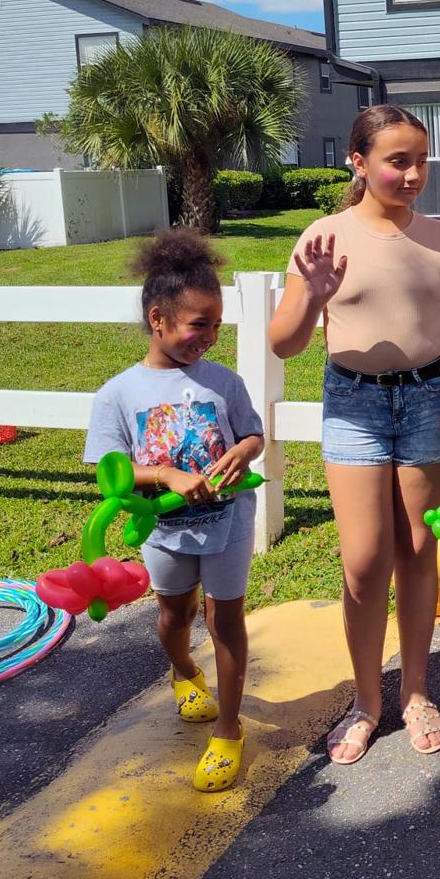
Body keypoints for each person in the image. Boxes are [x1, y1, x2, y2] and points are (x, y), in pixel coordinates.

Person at [269, 106, 440, 764]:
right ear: (358, 162)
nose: (413, 174)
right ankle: (366, 699)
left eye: (421, 160)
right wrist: (310, 295)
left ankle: (414, 692)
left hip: (425, 400)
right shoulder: (323, 238)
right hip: (353, 404)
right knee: (363, 561)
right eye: (397, 161)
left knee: (417, 550)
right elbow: (284, 343)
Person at [84, 230, 264, 793]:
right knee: (173, 616)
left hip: (228, 522)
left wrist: (242, 451)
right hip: (163, 531)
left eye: (215, 324)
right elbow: (109, 469)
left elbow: (253, 434)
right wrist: (164, 474)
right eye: (197, 325)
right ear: (158, 319)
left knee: (225, 619)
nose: (209, 337)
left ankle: (230, 730)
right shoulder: (119, 393)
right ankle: (184, 671)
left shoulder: (223, 382)